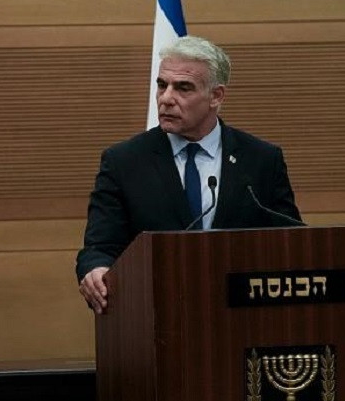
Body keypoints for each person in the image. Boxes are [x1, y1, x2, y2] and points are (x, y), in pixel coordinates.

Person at [76, 36, 302, 314]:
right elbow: (99, 247)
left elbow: (292, 242)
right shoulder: (124, 161)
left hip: (244, 314)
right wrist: (96, 269)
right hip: (158, 313)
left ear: (216, 96)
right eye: (162, 85)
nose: (166, 98)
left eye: (183, 88)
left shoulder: (261, 159)